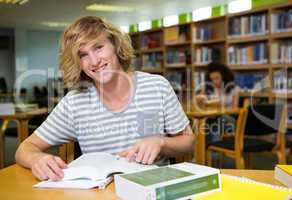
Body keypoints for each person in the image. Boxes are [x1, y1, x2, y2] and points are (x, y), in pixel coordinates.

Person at [15, 16, 195, 181]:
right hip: (100, 193)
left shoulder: (157, 86)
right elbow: (25, 148)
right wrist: (37, 158)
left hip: (152, 189)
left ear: (115, 46)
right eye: (83, 55)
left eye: (98, 47)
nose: (94, 61)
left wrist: (161, 142)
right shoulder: (75, 102)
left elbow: (188, 141)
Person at [195, 62, 240, 142]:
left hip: (228, 118)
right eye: (212, 79)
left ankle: (211, 150)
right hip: (210, 117)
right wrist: (199, 99)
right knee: (204, 123)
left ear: (224, 76)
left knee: (211, 124)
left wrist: (221, 108)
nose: (214, 81)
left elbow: (235, 110)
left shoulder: (234, 89)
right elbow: (199, 105)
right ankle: (208, 149)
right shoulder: (208, 88)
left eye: (217, 78)